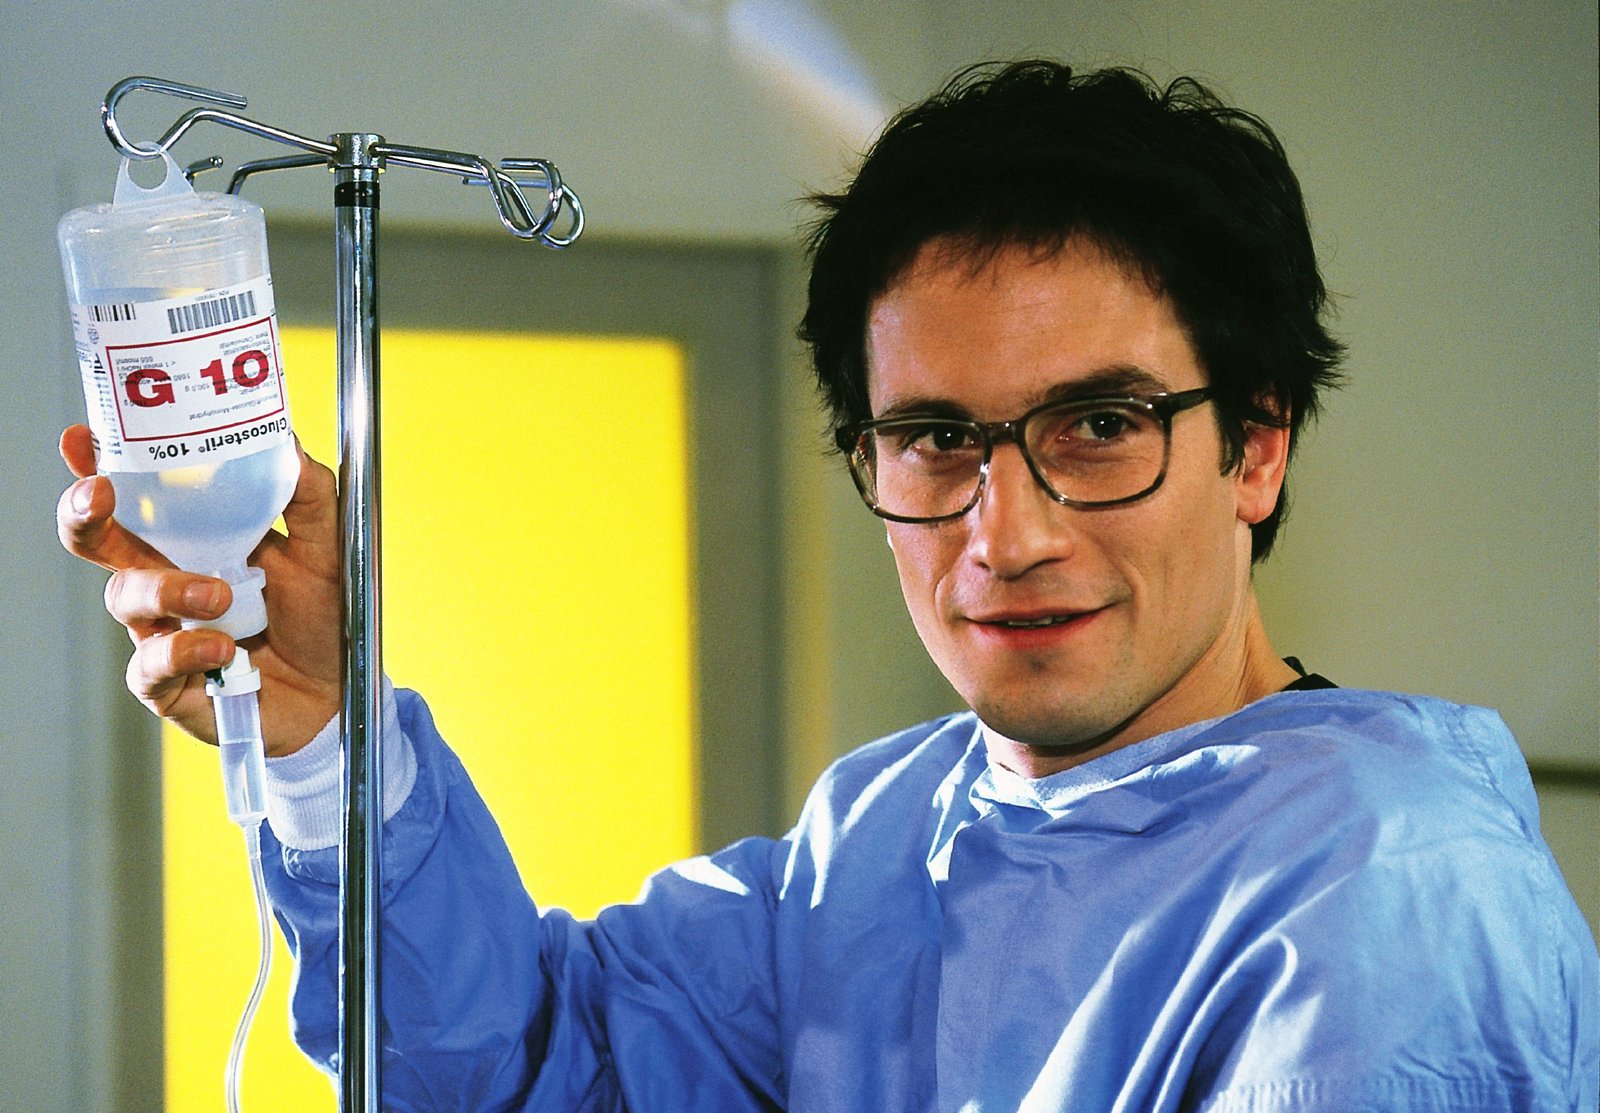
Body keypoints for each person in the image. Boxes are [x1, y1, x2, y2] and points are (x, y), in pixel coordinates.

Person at [58, 61, 1597, 1111]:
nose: (1006, 532)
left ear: (1255, 445)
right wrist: (321, 731)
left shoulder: (1386, 900)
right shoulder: (886, 838)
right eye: (936, 439)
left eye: (1099, 424)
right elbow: (528, 1069)